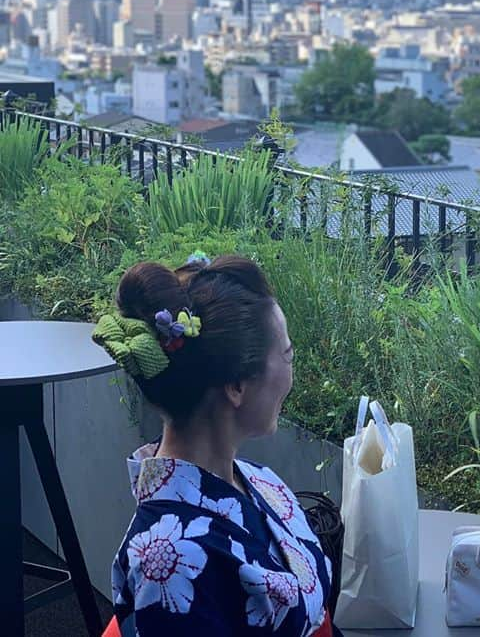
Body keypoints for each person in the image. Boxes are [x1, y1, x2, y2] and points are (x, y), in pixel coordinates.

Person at [93, 254, 339, 636]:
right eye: (287, 356)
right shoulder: (171, 561)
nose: (292, 374)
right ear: (237, 385)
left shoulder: (256, 481)